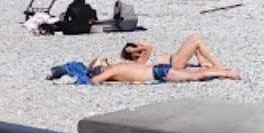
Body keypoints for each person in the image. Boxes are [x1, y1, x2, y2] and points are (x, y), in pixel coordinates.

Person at [120, 33, 223, 69]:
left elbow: (147, 47)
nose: (138, 50)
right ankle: (216, 64)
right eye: (134, 50)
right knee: (196, 42)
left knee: (194, 38)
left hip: (173, 60)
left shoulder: (142, 58)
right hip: (173, 64)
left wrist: (137, 47)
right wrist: (135, 48)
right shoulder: (139, 62)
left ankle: (203, 63)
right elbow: (149, 46)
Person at [89, 61, 240, 85]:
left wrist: (92, 78)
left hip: (158, 73)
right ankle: (223, 72)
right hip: (158, 70)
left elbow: (96, 80)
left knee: (195, 75)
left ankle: (227, 73)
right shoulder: (120, 66)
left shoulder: (114, 69)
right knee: (193, 73)